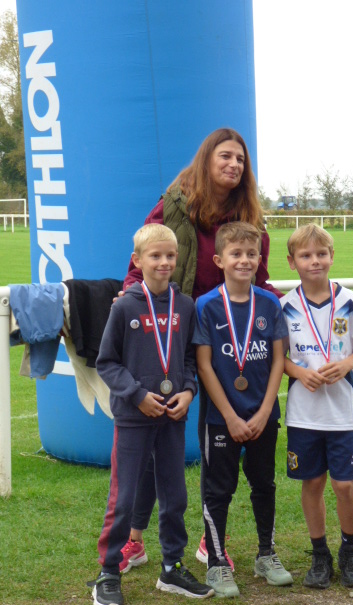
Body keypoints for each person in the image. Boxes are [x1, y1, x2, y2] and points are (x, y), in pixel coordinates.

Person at [119, 128, 282, 574]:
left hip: (228, 344)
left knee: (220, 441)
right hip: (173, 333)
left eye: (240, 159)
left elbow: (259, 278)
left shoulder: (250, 217)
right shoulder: (176, 203)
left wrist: (281, 303)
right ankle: (134, 540)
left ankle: (213, 541)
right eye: (225, 156)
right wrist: (131, 292)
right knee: (157, 432)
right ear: (207, 159)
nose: (234, 165)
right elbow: (147, 248)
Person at [89, 224, 214, 605]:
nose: (163, 262)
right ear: (137, 260)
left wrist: (188, 391)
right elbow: (106, 362)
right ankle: (108, 573)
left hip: (172, 418)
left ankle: (172, 567)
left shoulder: (185, 306)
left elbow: (190, 358)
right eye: (155, 256)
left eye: (170, 255)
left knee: (175, 495)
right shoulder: (125, 306)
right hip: (134, 417)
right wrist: (137, 394)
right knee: (124, 497)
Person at [193, 221, 293, 597]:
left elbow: (278, 360)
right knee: (218, 490)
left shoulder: (269, 303)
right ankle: (217, 563)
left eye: (252, 254)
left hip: (263, 415)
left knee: (264, 484)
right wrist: (231, 417)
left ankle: (266, 554)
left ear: (259, 259)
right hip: (222, 419)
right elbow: (204, 366)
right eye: (236, 253)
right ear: (219, 260)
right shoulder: (206, 305)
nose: (244, 260)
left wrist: (265, 411)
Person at [281, 223, 353, 589]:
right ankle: (319, 553)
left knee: (344, 484)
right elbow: (278, 357)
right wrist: (298, 373)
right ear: (292, 262)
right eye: (305, 255)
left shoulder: (351, 301)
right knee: (312, 482)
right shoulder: (285, 306)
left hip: (342, 414)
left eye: (321, 254)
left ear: (332, 257)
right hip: (304, 414)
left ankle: (350, 550)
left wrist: (346, 364)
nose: (314, 261)